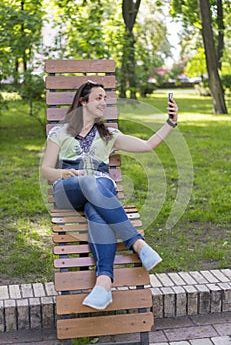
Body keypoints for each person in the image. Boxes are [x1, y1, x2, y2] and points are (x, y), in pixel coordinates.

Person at [41, 80, 178, 310]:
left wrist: (171, 123)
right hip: (68, 188)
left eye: (105, 98)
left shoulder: (109, 135)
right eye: (98, 98)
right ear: (83, 101)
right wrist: (64, 173)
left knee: (95, 207)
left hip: (101, 190)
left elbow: (148, 145)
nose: (103, 102)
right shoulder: (60, 132)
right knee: (88, 182)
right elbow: (46, 170)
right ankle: (138, 243)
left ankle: (103, 284)